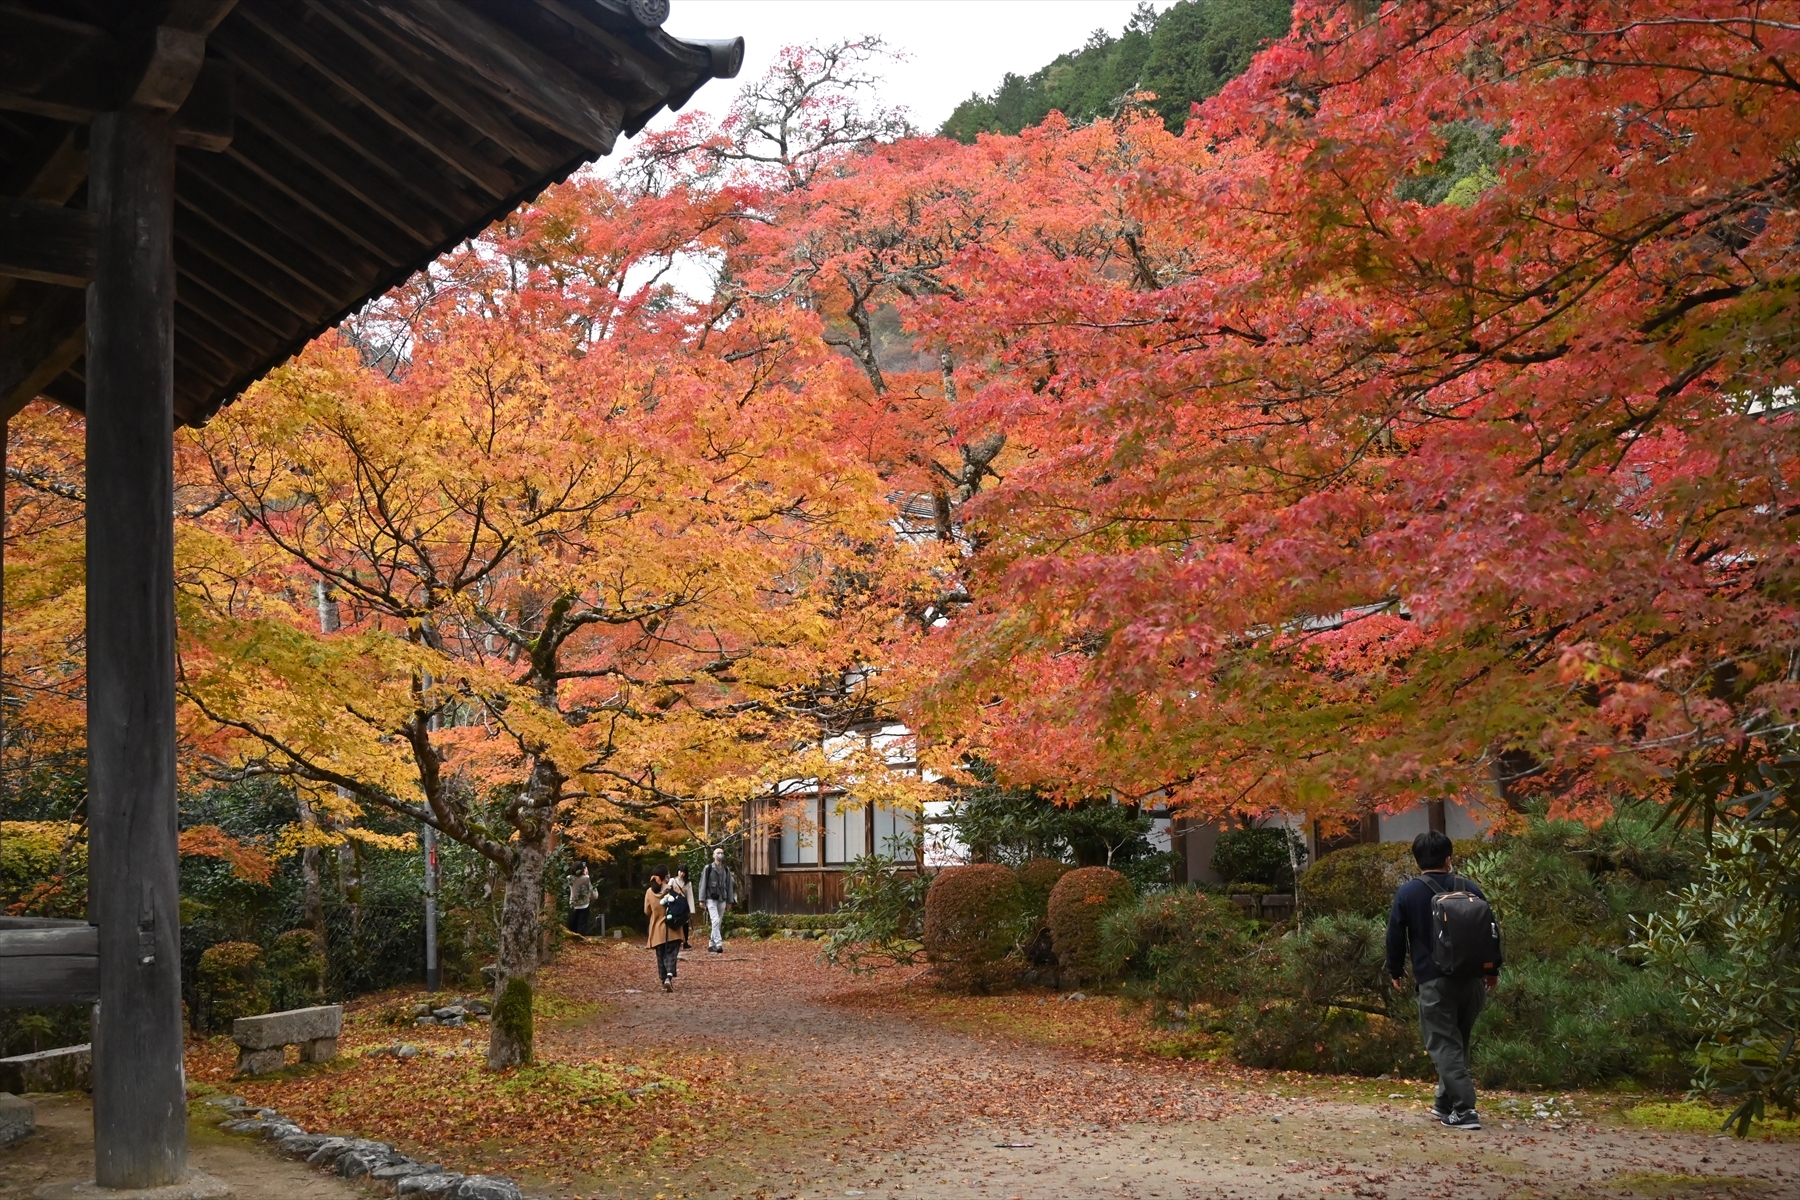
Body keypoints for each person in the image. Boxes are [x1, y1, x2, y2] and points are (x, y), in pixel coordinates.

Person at [1386, 829, 1501, 1131]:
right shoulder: (1470, 887)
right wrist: (1492, 970)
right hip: (1473, 980)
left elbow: (1396, 935)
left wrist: (1395, 971)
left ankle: (1465, 1111)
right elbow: (1491, 930)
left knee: (1443, 1045)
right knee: (1457, 1042)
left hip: (1434, 982)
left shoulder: (1409, 893)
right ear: (1449, 858)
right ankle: (1444, 1103)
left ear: (1417, 860)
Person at [644, 874, 680, 990]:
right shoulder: (673, 888)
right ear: (666, 877)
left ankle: (664, 980)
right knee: (671, 954)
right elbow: (682, 904)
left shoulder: (649, 892)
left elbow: (647, 910)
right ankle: (669, 977)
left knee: (660, 956)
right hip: (673, 928)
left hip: (658, 929)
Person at [697, 847, 736, 953]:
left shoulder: (726, 869)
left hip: (722, 898)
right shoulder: (708, 868)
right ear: (714, 855)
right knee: (715, 920)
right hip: (710, 898)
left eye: (722, 853)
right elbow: (703, 884)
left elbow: (729, 886)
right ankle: (719, 944)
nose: (720, 855)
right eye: (718, 853)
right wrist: (702, 899)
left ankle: (711, 944)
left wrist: (729, 900)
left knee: (718, 922)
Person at [567, 861, 593, 937]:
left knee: (573, 922)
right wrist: (586, 873)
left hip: (573, 903)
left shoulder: (569, 878)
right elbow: (590, 889)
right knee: (582, 924)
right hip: (584, 904)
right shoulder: (586, 878)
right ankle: (581, 938)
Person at [671, 867, 694, 949]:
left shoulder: (687, 883)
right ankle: (675, 940)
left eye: (684, 872)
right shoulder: (672, 881)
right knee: (675, 922)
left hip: (684, 904)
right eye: (680, 871)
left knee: (685, 923)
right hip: (674, 903)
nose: (682, 874)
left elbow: (690, 896)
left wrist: (691, 909)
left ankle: (685, 941)